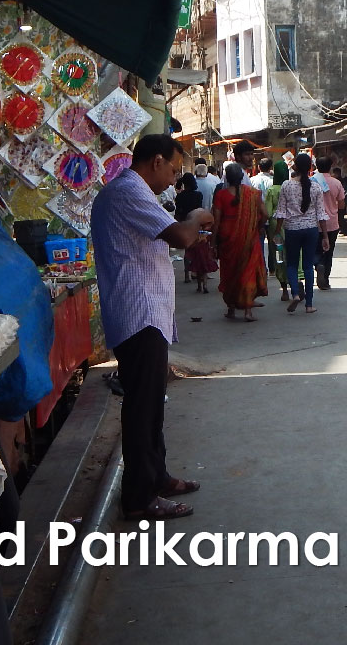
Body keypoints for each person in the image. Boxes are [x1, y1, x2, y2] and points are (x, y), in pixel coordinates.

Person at [91, 133, 207, 521]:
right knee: (142, 408)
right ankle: (139, 498)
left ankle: (157, 476)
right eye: (174, 170)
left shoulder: (131, 191)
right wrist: (197, 216)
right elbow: (182, 236)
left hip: (146, 313)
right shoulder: (129, 191)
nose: (174, 179)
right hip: (138, 314)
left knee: (152, 403)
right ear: (155, 161)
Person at [275, 153, 328, 314]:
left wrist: (277, 231)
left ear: (295, 167)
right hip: (311, 230)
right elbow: (321, 214)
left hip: (291, 229)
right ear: (310, 168)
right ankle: (309, 305)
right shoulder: (316, 187)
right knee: (307, 266)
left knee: (291, 264)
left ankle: (296, 294)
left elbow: (281, 212)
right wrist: (325, 236)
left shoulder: (286, 185)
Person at [213, 164, 267, 321]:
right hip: (249, 237)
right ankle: (248, 311)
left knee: (229, 272)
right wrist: (257, 225)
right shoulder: (253, 194)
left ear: (226, 178)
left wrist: (213, 242)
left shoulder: (221, 195)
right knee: (247, 272)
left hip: (227, 238)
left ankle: (231, 309)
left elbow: (216, 221)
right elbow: (265, 214)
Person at [174, 173, 217, 291]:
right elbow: (199, 210)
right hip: (197, 224)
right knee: (199, 251)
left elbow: (178, 211)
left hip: (184, 222)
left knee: (188, 251)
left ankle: (187, 274)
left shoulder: (180, 196)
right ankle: (201, 275)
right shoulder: (198, 195)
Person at [315, 155, 344, 290]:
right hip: (332, 222)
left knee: (315, 249)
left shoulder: (311, 182)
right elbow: (342, 204)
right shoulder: (337, 183)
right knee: (329, 251)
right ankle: (325, 279)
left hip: (314, 223)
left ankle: (318, 264)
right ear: (330, 167)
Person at [263, 160, 289, 302]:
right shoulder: (291, 188)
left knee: (279, 256)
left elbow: (267, 212)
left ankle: (284, 288)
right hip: (291, 226)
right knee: (292, 254)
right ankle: (297, 283)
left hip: (276, 228)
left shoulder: (272, 190)